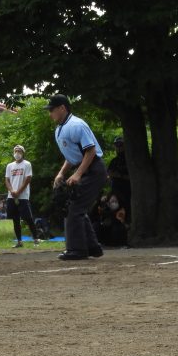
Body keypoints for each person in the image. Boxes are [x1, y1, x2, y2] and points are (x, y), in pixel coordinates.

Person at [48, 94, 107, 261]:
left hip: (94, 169)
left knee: (74, 209)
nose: (50, 113)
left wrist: (78, 174)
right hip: (86, 168)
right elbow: (72, 155)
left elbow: (90, 150)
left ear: (62, 108)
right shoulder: (60, 129)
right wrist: (62, 173)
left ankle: (77, 250)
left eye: (52, 110)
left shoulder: (76, 125)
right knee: (76, 207)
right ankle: (92, 247)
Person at [4, 144, 41, 247]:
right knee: (15, 219)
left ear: (23, 153)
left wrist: (18, 191)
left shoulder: (27, 164)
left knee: (28, 218)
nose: (17, 153)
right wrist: (12, 190)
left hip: (23, 196)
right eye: (15, 151)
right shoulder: (9, 166)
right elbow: (7, 180)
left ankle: (36, 239)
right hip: (11, 196)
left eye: (19, 151)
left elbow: (28, 179)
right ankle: (19, 241)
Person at [106, 136, 131, 218]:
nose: (118, 147)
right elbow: (108, 175)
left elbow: (136, 178)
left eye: (120, 145)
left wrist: (120, 175)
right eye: (117, 145)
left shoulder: (130, 160)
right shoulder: (114, 161)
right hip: (115, 192)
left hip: (128, 193)